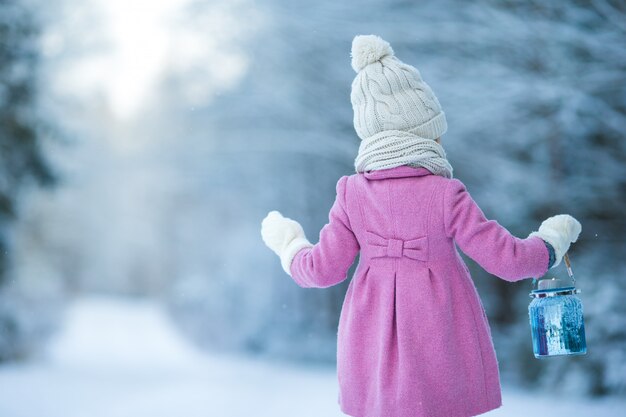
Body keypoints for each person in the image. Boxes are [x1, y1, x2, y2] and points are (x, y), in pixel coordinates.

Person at [260, 35, 581, 417]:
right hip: (440, 346)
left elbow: (321, 269)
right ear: (425, 131)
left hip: (372, 345)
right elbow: (509, 261)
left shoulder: (351, 194)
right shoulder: (445, 193)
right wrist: (551, 240)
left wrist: (289, 244)